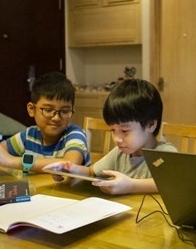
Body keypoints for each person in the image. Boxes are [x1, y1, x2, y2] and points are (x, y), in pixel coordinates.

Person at [45, 78, 177, 195]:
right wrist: (70, 170)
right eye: (113, 130)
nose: (117, 139)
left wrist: (130, 186)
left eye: (125, 131)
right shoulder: (120, 153)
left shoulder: (165, 154)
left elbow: (171, 184)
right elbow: (92, 172)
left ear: (150, 125)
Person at [0, 72, 90, 173]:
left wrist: (11, 161)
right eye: (48, 110)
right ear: (31, 109)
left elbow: (69, 165)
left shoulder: (75, 134)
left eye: (65, 111)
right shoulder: (28, 136)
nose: (56, 117)